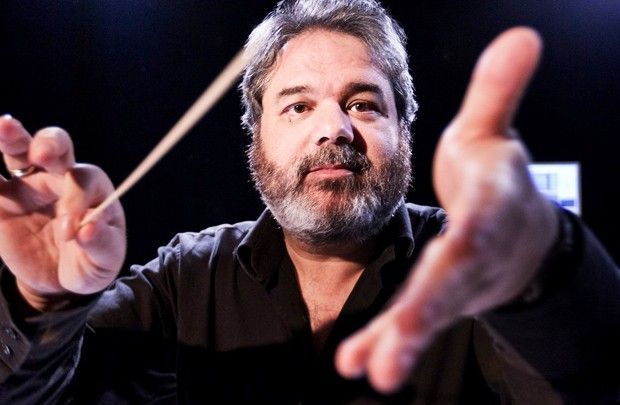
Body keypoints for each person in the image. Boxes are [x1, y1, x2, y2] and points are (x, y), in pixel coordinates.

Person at [0, 0, 617, 403]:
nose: (334, 130)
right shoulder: (188, 278)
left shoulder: (471, 263)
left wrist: (539, 268)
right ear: (257, 139)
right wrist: (40, 300)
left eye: (363, 104)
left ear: (405, 133)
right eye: (298, 106)